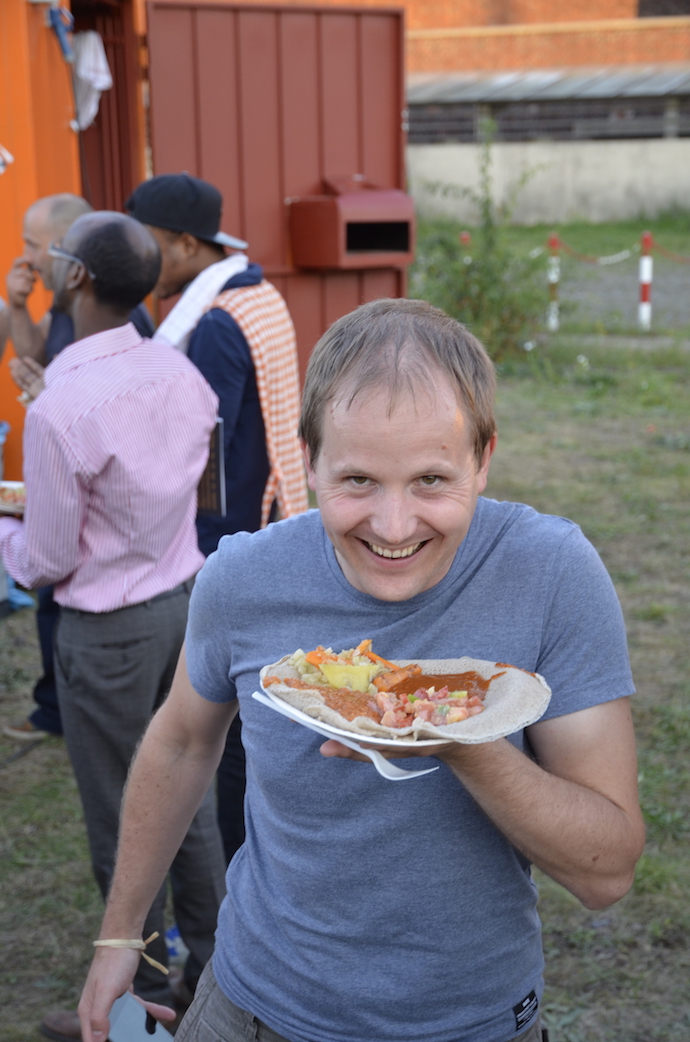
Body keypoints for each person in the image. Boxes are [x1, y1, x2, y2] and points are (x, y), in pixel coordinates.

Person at [79, 297, 645, 1042]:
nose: (394, 526)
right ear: (307, 460)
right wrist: (121, 935)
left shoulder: (551, 575)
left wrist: (459, 742)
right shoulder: (244, 578)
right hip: (249, 1007)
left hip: (472, 1023)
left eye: (431, 480)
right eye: (357, 481)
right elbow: (182, 742)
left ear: (483, 459)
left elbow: (606, 873)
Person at [0, 212, 226, 1042]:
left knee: (123, 817)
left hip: (108, 631)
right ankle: (219, 977)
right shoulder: (176, 367)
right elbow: (198, 479)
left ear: (76, 279)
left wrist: (6, 532)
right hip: (183, 604)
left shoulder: (61, 407)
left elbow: (47, 558)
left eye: (53, 253)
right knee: (189, 797)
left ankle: (142, 1003)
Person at [127, 172, 308, 863]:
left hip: (231, 535)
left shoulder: (214, 325)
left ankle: (241, 862)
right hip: (275, 512)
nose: (140, 260)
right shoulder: (258, 292)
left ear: (183, 244)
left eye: (145, 243)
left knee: (227, 724)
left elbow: (206, 454)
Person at [2, 193, 155, 742]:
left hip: (99, 499)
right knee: (52, 600)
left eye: (33, 244)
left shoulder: (112, 316)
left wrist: (51, 399)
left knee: (58, 587)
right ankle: (57, 707)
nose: (26, 255)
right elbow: (36, 353)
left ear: (69, 251)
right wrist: (18, 306)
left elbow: (116, 411)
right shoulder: (70, 305)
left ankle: (71, 712)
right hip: (72, 488)